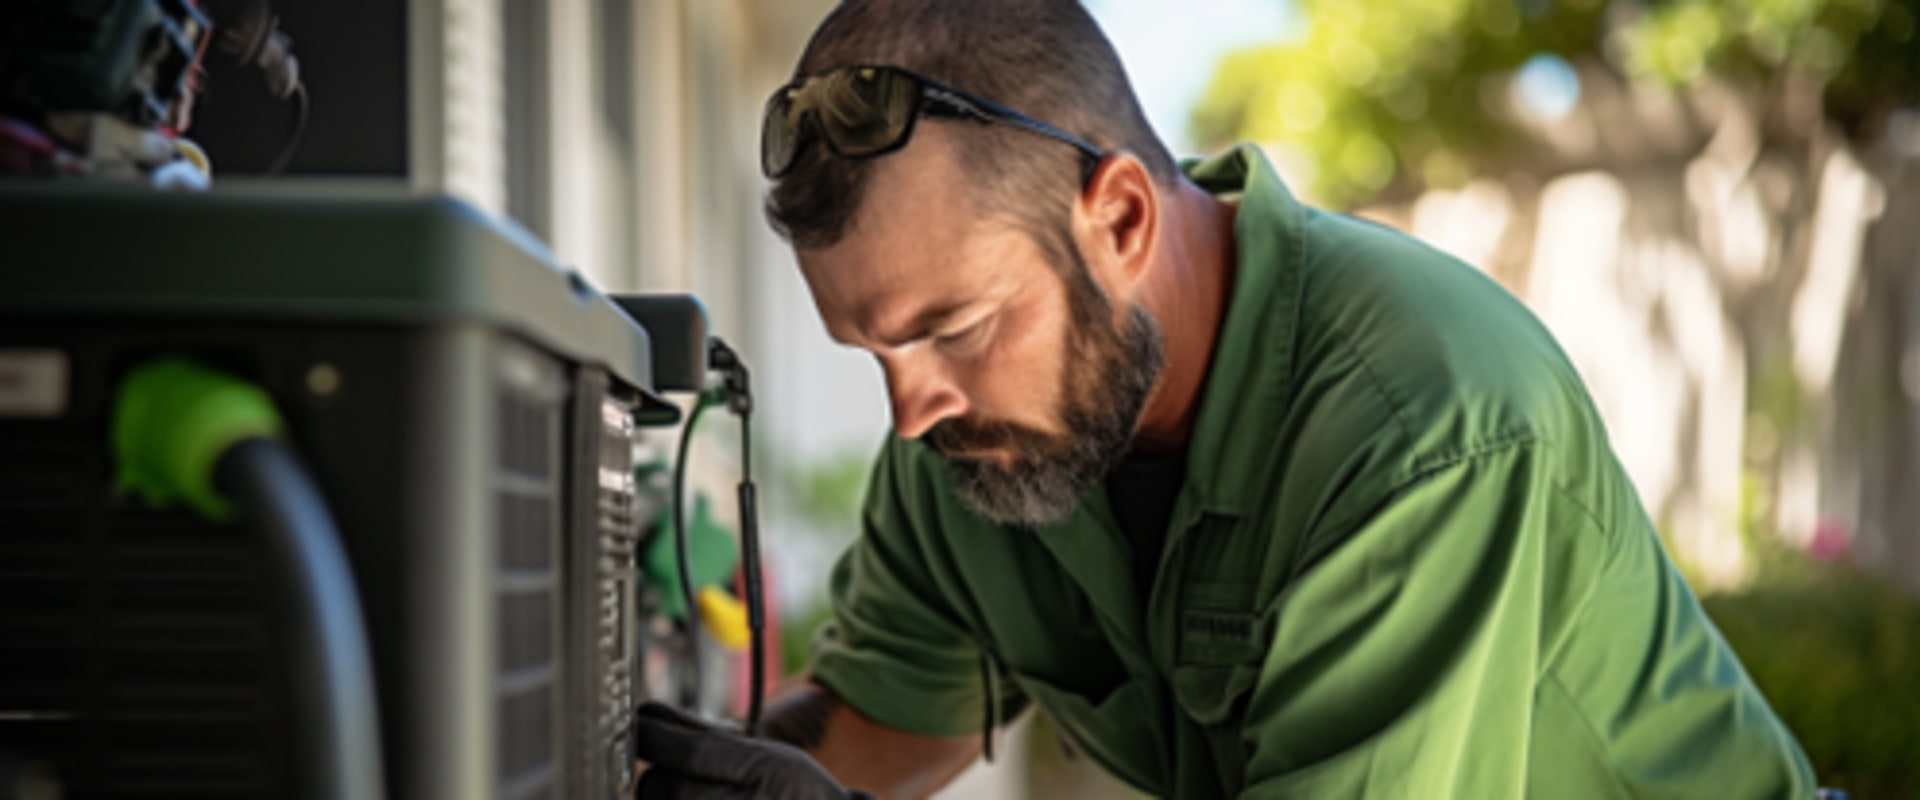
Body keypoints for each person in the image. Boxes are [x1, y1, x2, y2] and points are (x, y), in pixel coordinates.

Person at [631, 0, 1818, 797]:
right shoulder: (972, 438)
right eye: (870, 348)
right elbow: (888, 722)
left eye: (953, 327)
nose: (910, 410)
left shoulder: (1424, 426)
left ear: (1123, 218)